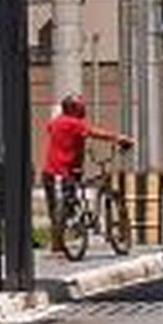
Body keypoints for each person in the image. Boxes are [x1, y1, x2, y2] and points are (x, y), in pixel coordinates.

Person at [40, 94, 131, 254]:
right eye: (81, 106)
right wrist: (119, 138)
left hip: (52, 171)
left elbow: (53, 130)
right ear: (73, 109)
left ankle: (58, 245)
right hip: (63, 171)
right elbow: (95, 133)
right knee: (63, 206)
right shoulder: (74, 123)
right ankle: (61, 243)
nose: (84, 109)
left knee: (55, 208)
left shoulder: (56, 122)